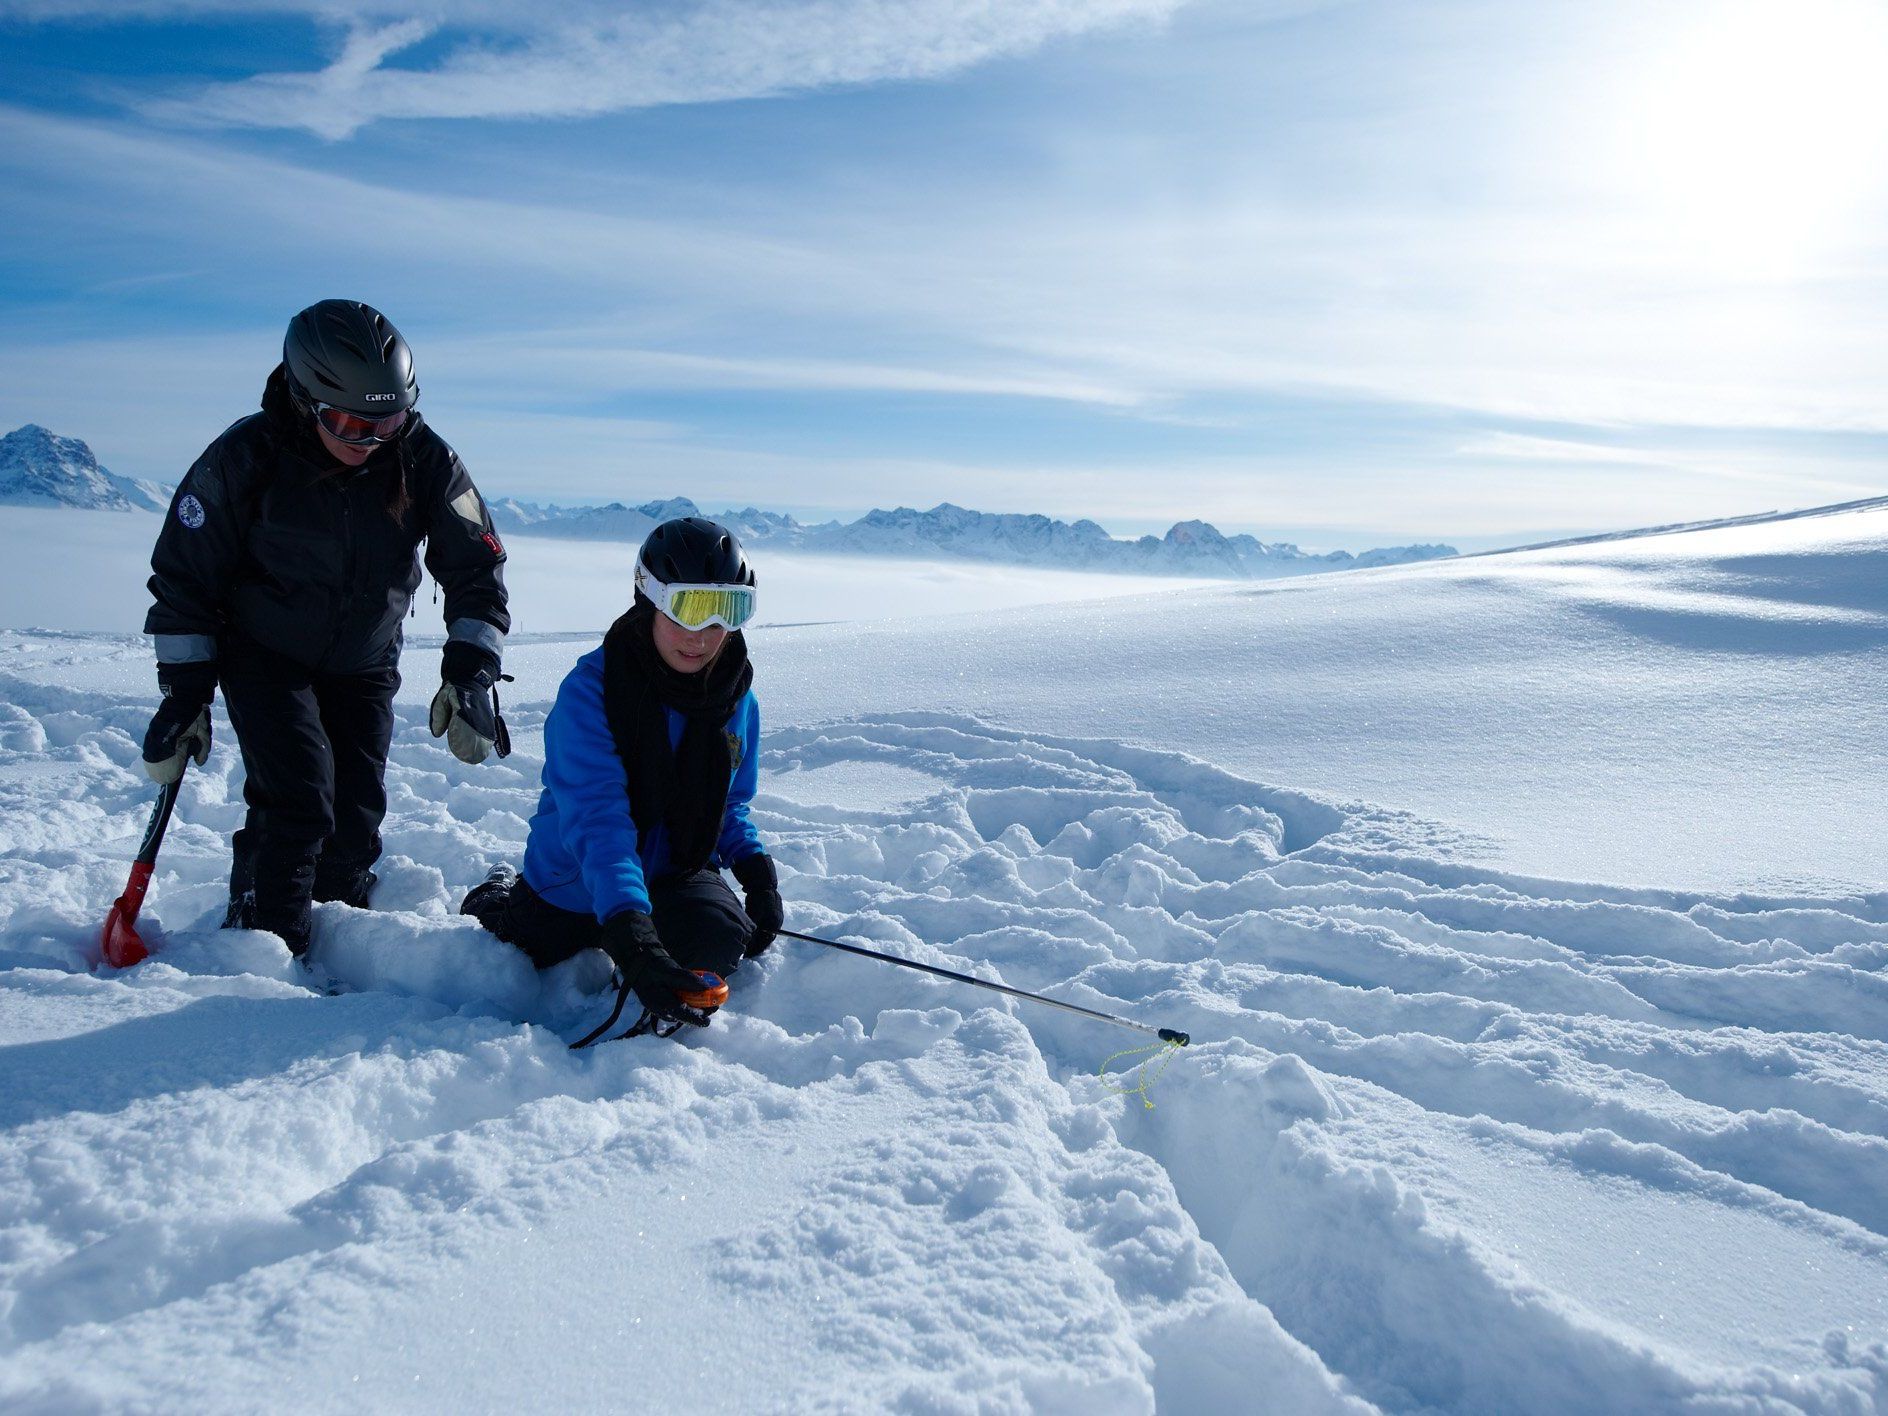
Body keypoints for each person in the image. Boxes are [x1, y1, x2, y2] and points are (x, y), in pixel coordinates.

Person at [142, 299, 512, 957]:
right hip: (264, 653)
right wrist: (185, 693)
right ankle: (262, 948)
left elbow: (476, 565)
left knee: (355, 814)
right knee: (297, 800)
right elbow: (185, 577)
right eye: (347, 421)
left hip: (365, 659)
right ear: (303, 396)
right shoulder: (243, 458)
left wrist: (471, 671)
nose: (367, 440)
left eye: (387, 420)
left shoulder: (424, 459)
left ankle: (339, 936)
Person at [461, 517, 785, 1037]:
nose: (705, 636)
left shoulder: (735, 698)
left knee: (721, 939)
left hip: (672, 872)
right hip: (577, 880)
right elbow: (599, 821)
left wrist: (755, 870)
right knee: (526, 948)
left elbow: (728, 805)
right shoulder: (591, 693)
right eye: (690, 608)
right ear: (649, 600)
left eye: (727, 611)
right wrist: (632, 935)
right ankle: (499, 897)